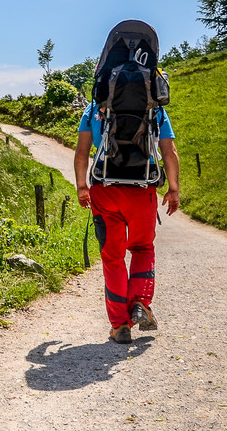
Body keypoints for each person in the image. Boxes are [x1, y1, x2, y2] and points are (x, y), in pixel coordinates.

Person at [74, 102, 179, 344]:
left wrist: (82, 186)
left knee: (113, 257)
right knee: (142, 248)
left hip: (105, 189)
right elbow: (169, 151)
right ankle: (141, 302)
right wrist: (173, 189)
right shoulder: (155, 108)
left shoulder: (93, 108)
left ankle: (120, 325)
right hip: (142, 190)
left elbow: (82, 151)